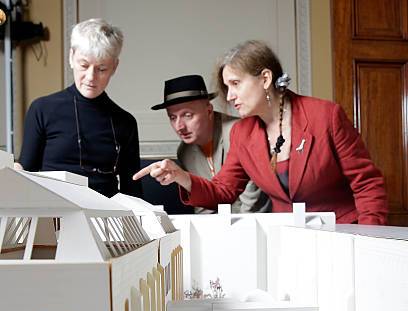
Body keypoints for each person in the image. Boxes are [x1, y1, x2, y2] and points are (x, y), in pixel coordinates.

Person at [134, 40, 388, 224]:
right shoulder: (243, 133)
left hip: (343, 234)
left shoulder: (325, 116)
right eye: (226, 86)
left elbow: (368, 185)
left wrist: (367, 241)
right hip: (287, 240)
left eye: (235, 84)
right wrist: (182, 177)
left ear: (265, 79)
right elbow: (223, 192)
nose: (230, 95)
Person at [17, 18, 142, 199]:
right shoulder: (42, 109)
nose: (91, 77)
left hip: (104, 218)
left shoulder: (126, 122)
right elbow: (26, 172)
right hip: (51, 215)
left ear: (114, 67)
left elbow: (133, 192)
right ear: (71, 57)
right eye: (84, 65)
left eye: (102, 69)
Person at [151, 74, 268, 213]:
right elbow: (203, 208)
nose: (179, 126)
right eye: (172, 117)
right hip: (218, 229)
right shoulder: (184, 151)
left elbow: (253, 205)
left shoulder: (243, 131)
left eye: (187, 115)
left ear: (209, 110)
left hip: (257, 224)